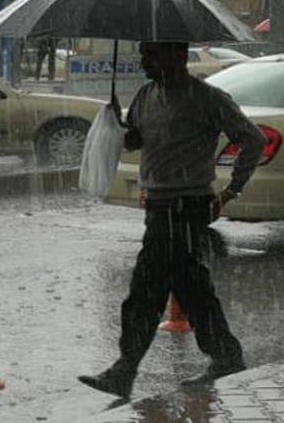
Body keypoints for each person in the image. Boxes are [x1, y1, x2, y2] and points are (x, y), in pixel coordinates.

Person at [78, 41, 266, 401]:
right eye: (143, 53)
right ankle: (226, 356)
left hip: (185, 206)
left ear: (177, 56)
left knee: (145, 288)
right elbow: (135, 140)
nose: (144, 61)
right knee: (191, 288)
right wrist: (117, 124)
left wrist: (231, 191)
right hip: (158, 206)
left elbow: (252, 140)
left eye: (152, 54)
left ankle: (125, 368)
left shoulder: (207, 98)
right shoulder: (148, 94)